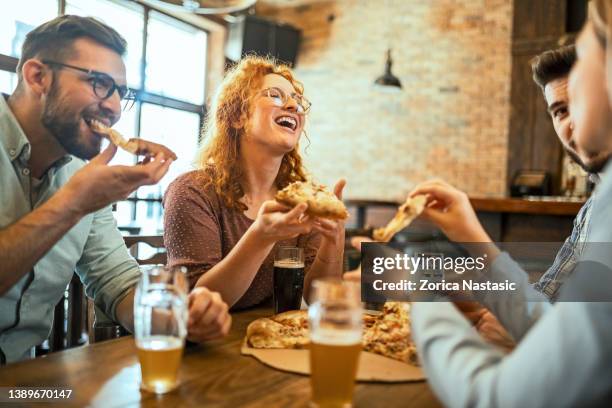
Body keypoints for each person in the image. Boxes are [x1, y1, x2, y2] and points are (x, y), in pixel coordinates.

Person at [404, 1, 612, 405]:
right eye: (557, 110)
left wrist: (420, 298)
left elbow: (497, 398)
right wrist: (472, 238)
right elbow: (558, 331)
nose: (568, 121)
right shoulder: (597, 202)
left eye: (590, 56)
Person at [0, 16, 230, 364]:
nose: (114, 108)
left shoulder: (81, 172)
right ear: (38, 77)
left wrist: (177, 315)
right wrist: (72, 204)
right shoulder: (82, 189)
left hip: (21, 386)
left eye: (121, 93)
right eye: (100, 84)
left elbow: (118, 283)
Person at [163, 56, 346, 309]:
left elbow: (317, 298)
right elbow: (193, 305)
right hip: (204, 346)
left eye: (298, 100)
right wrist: (261, 237)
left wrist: (334, 240)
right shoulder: (192, 191)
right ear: (238, 116)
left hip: (274, 339)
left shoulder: (302, 200)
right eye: (275, 95)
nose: (293, 106)